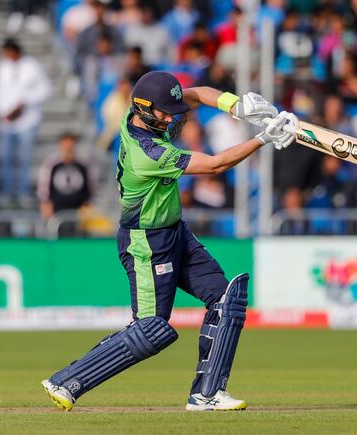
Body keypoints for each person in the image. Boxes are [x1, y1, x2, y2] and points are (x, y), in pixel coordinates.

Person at [41, 71, 295, 412]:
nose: (171, 118)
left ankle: (207, 394)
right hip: (146, 242)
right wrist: (263, 138)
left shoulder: (146, 113)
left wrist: (238, 107)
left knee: (226, 300)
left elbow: (199, 93)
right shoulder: (147, 152)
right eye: (164, 112)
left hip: (176, 232)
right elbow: (215, 165)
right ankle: (67, 380)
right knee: (151, 330)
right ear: (144, 109)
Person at [0, 38, 51, 207]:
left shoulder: (32, 66)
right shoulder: (2, 67)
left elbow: (46, 89)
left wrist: (25, 102)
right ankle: (7, 192)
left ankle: (23, 193)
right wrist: (3, 113)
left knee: (24, 159)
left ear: (15, 51)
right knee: (6, 159)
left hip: (27, 121)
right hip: (7, 121)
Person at [36, 132, 94, 220]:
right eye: (66, 146)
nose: (68, 149)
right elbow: (43, 188)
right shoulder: (51, 164)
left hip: (79, 210)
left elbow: (89, 188)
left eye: (71, 146)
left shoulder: (83, 165)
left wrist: (88, 205)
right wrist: (46, 205)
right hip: (56, 210)